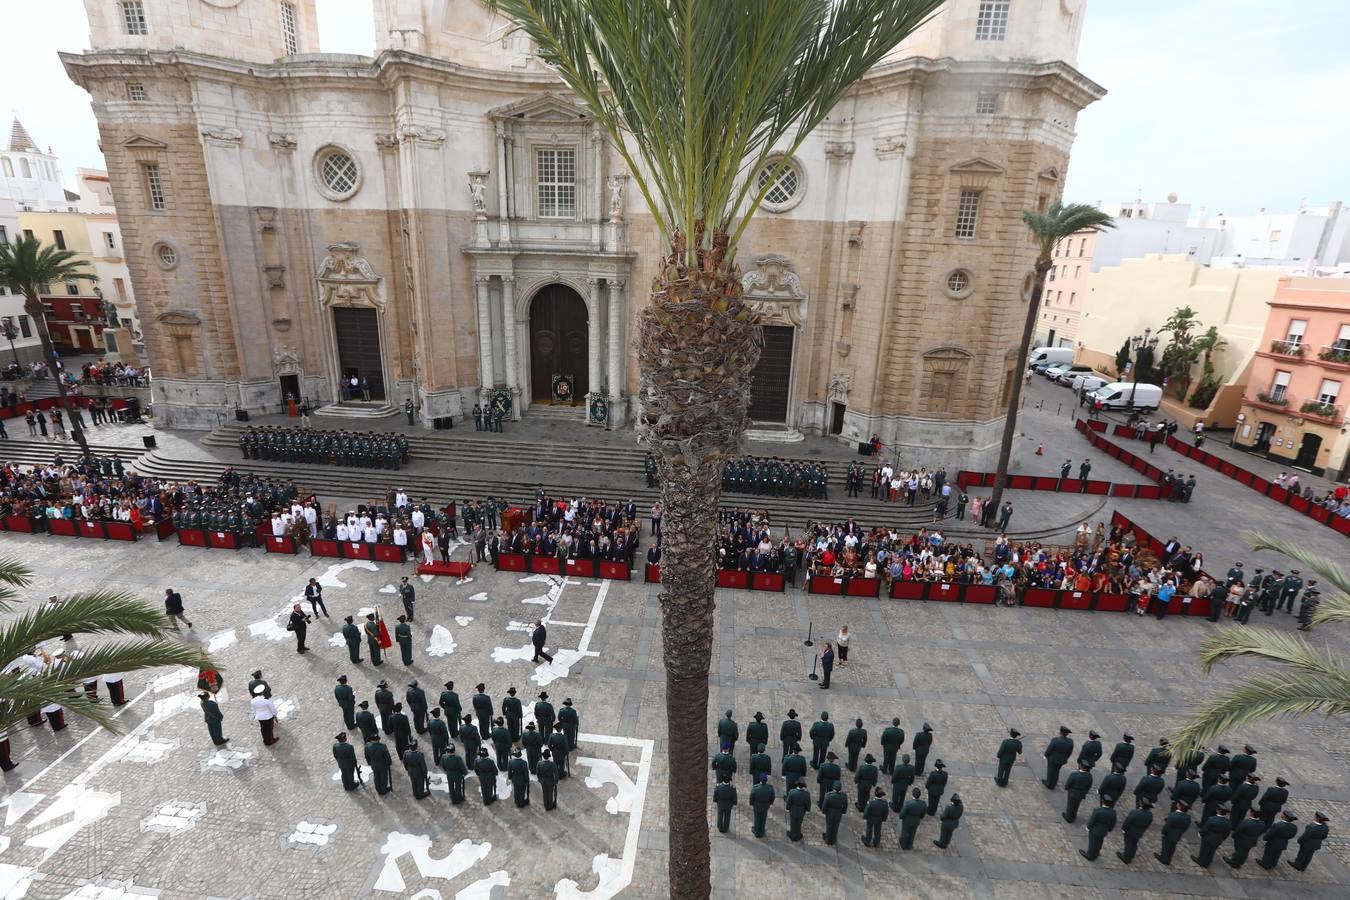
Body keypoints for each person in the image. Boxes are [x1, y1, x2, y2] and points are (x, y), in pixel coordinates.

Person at [1154, 801, 1193, 865]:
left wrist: (1163, 832)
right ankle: (1168, 859)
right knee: (1172, 847)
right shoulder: (1188, 818)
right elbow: (1186, 827)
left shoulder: (1173, 815)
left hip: (1169, 834)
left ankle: (1163, 859)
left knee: (1166, 847)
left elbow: (1167, 826)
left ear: (1179, 806)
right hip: (1178, 834)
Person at [1117, 798, 1154, 863]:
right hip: (1139, 832)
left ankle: (1126, 858)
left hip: (1130, 832)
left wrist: (1123, 829)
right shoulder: (1150, 815)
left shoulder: (1135, 812)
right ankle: (1132, 855)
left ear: (1141, 804)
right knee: (1134, 844)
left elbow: (1128, 821)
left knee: (1128, 844)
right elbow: (1147, 824)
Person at [821, 781, 847, 845]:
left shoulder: (828, 795)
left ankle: (828, 840)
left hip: (830, 813)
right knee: (835, 827)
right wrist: (843, 811)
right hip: (838, 813)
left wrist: (824, 811)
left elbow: (825, 805)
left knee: (829, 826)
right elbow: (845, 806)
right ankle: (833, 840)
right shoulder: (844, 796)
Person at [750, 772, 776, 838]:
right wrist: (770, 803)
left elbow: (752, 797)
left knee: (757, 818)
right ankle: (761, 831)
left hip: (757, 806)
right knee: (763, 818)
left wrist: (751, 803)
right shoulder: (770, 788)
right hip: (765, 806)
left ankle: (756, 832)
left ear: (760, 779)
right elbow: (772, 797)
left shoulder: (755, 788)